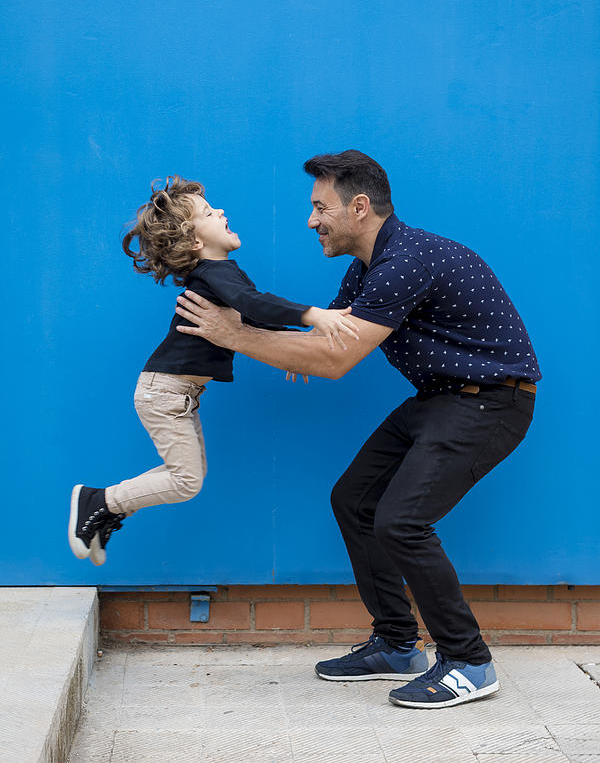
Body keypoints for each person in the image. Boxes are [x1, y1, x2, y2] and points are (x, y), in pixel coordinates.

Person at [175, 149, 541, 709]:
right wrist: (270, 337)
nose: (311, 220)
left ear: (360, 207)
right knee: (354, 500)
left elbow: (335, 358)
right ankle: (397, 644)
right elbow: (323, 341)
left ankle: (469, 661)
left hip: (491, 402)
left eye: (320, 207)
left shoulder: (406, 260)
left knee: (402, 521)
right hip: (440, 400)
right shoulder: (368, 266)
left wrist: (235, 337)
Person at [68, 176, 358, 566]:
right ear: (194, 242)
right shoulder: (214, 273)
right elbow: (253, 305)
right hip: (165, 394)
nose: (220, 211)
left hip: (175, 395)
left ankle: (106, 507)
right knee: (186, 481)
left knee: (188, 477)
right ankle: (101, 501)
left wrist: (296, 350)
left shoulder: (222, 275)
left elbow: (248, 314)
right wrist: (313, 316)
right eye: (208, 212)